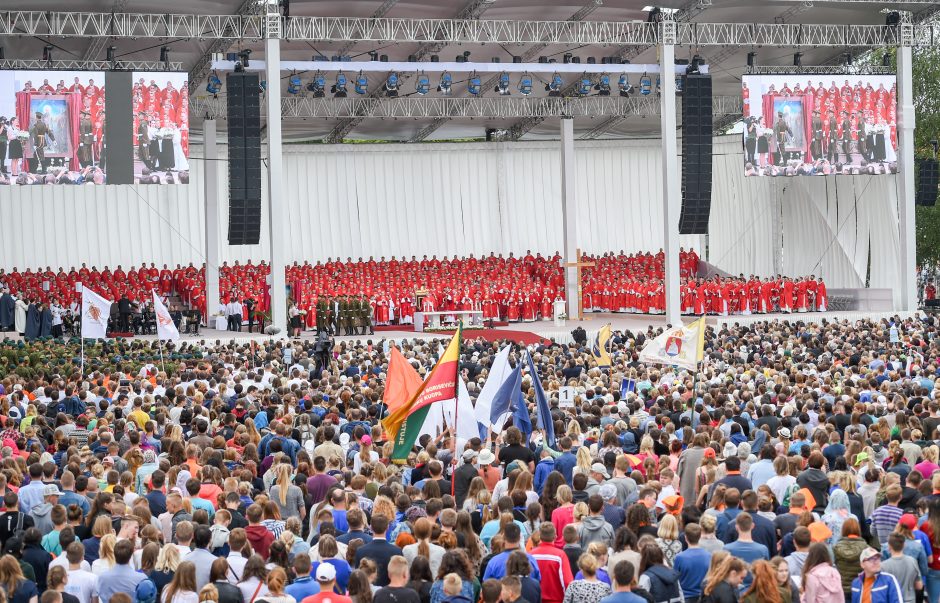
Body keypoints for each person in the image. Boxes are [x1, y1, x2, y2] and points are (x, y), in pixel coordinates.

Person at [674, 523, 711, 603]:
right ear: (700, 536)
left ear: (685, 538)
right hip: (703, 596)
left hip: (685, 597)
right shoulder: (708, 555)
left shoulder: (680, 557)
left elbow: (675, 579)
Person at [880, 533, 921, 603]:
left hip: (892, 600)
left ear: (889, 547)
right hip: (910, 600)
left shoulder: (883, 566)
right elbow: (919, 586)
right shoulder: (913, 561)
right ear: (904, 545)